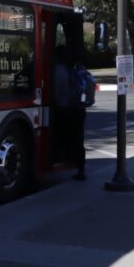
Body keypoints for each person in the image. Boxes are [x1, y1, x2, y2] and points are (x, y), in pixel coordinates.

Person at [54, 45, 86, 180]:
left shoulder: (59, 70)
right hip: (79, 109)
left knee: (66, 136)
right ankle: (80, 169)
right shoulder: (78, 69)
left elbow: (57, 92)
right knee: (78, 139)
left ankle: (67, 159)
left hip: (65, 108)